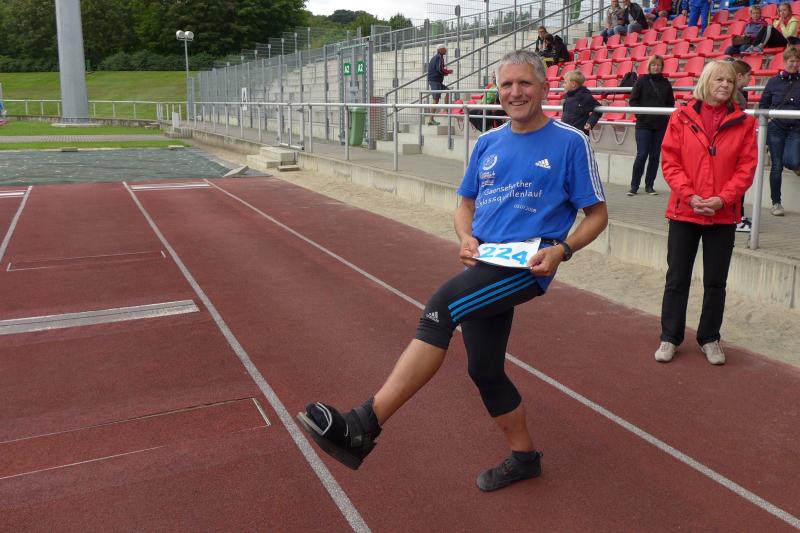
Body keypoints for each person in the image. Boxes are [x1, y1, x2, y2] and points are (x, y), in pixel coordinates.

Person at [297, 50, 608, 492]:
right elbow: (465, 204)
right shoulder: (488, 142)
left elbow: (597, 215)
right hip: (483, 261)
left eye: (524, 83)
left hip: (527, 264)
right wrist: (465, 237)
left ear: (544, 87)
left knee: (441, 308)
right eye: (506, 85)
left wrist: (563, 250)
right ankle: (524, 458)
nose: (515, 93)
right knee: (484, 369)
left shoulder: (569, 141)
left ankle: (363, 425)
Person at [655, 60, 757, 365]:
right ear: (706, 81)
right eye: (719, 79)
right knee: (677, 278)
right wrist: (690, 196)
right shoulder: (681, 117)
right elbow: (670, 162)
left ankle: (710, 338)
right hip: (684, 211)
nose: (725, 85)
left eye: (730, 81)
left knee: (716, 282)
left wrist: (722, 199)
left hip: (722, 215)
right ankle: (670, 337)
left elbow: (746, 168)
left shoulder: (744, 123)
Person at [758, 45, 800, 216]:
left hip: (796, 128)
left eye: (797, 61)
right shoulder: (773, 81)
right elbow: (763, 104)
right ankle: (776, 203)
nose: (794, 64)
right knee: (776, 166)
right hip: (776, 128)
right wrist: (768, 117)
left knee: (792, 162)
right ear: (785, 61)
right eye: (791, 61)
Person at [627, 55, 675, 196]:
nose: (656, 67)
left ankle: (649, 186)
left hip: (660, 125)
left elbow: (670, 103)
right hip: (643, 124)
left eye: (658, 65)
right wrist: (641, 115)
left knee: (654, 156)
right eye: (653, 65)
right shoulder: (642, 81)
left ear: (662, 67)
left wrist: (664, 117)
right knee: (642, 154)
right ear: (649, 66)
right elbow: (633, 100)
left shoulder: (666, 83)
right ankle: (634, 186)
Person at [729, 58, 754, 232]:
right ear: (739, 76)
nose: (750, 79)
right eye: (748, 75)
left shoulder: (739, 94)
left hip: (734, 144)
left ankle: (738, 216)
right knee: (736, 182)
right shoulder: (734, 97)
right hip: (733, 146)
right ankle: (736, 219)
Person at [561, 70, 602, 134]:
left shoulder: (585, 97)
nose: (563, 85)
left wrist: (590, 122)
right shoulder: (568, 97)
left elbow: (599, 109)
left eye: (565, 83)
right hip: (567, 132)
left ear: (573, 84)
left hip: (579, 134)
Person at [427, 44, 453, 126]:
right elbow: (439, 69)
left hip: (436, 80)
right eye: (445, 49)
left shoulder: (438, 57)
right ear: (440, 50)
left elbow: (439, 69)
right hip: (435, 80)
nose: (446, 50)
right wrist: (448, 71)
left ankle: (446, 109)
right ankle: (431, 119)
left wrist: (445, 72)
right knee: (436, 99)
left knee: (448, 91)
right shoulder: (438, 57)